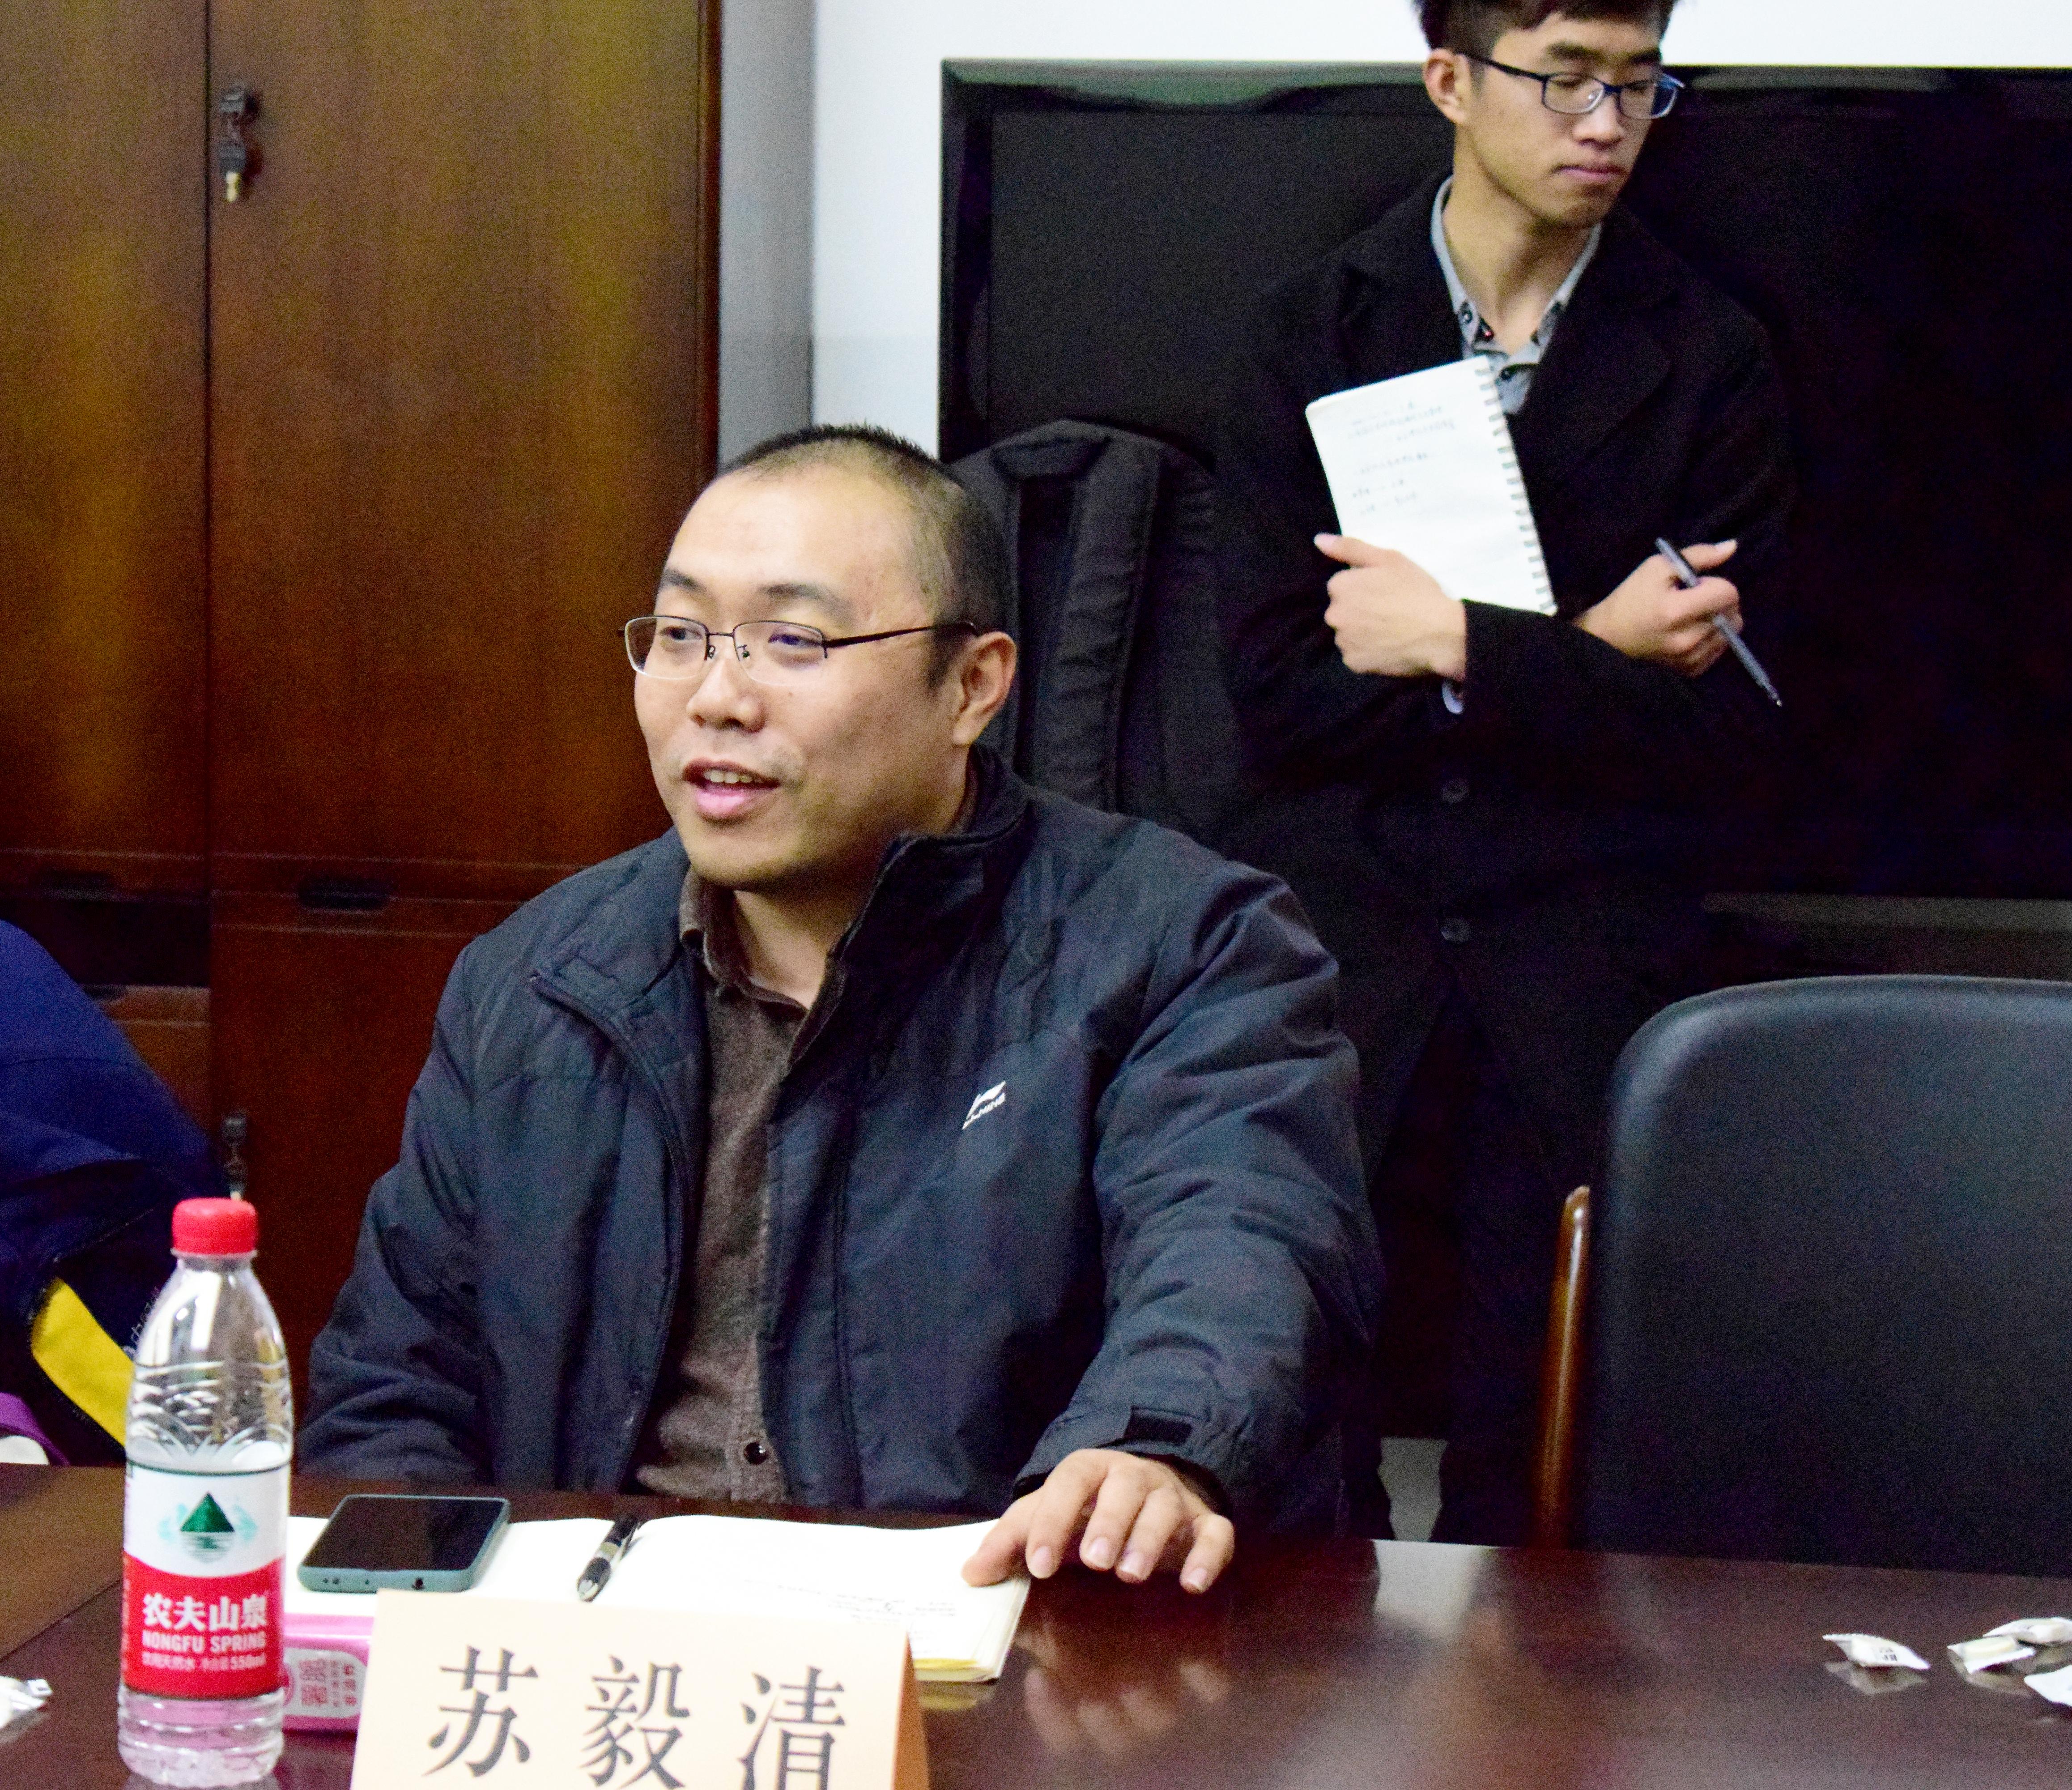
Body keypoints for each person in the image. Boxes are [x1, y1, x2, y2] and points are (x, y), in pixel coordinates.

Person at [304, 425, 1378, 1590]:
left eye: (793, 641)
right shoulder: (535, 981)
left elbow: (1238, 1242)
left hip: (998, 1619)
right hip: (602, 1641)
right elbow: (399, 1385)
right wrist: (409, 1619)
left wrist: (1151, 1446)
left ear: (971, 686)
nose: (718, 698)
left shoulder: (1184, 943)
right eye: (681, 635)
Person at [1212, 0, 1798, 1543]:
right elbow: (1279, 701)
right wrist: (1593, 650)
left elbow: (1727, 731)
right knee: (1292, 1406)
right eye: (1565, 81)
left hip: (1583, 942)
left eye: (1641, 85)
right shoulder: (1310, 329)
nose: (1606, 124)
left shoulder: (1712, 354)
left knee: (1539, 1452)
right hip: (1348, 929)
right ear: (1451, 82)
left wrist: (1458, 643)